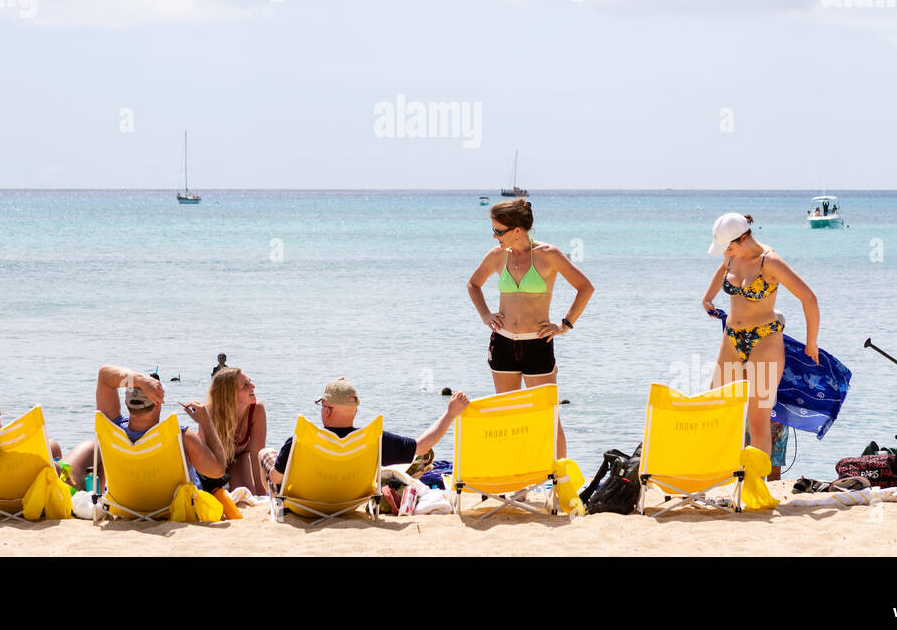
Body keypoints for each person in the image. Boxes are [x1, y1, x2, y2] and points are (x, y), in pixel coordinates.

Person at [466, 198, 593, 457]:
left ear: (517, 231)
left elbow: (585, 288)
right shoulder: (496, 256)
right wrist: (485, 315)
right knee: (508, 416)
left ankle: (558, 483)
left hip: (537, 344)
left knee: (548, 417)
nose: (494, 236)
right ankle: (518, 481)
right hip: (502, 344)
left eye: (498, 231)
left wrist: (565, 325)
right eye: (492, 229)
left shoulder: (549, 255)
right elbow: (473, 284)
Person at [702, 212, 820, 458]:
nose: (727, 252)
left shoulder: (770, 262)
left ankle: (758, 483)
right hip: (731, 338)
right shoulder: (730, 256)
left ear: (744, 238)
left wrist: (812, 343)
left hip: (764, 340)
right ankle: (722, 473)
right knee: (714, 407)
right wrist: (708, 297)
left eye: (730, 247)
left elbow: (809, 299)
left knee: (757, 420)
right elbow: (722, 269)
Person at [260, 378, 469, 485]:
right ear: (355, 410)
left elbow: (277, 480)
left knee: (265, 453)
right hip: (351, 501)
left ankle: (263, 503)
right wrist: (450, 414)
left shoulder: (299, 441)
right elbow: (423, 446)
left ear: (326, 410)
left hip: (306, 503)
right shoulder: (374, 440)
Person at [61, 365, 227, 491]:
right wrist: (205, 421)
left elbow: (104, 375)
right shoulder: (179, 435)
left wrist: (140, 381)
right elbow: (217, 470)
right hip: (167, 506)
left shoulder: (113, 428)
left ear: (126, 403)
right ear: (158, 404)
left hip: (126, 505)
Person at [180, 366, 268, 496]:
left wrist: (263, 498)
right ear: (230, 394)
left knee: (247, 494)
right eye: (245, 385)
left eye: (250, 381)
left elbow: (256, 457)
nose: (253, 386)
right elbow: (204, 458)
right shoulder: (209, 413)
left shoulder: (256, 410)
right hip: (214, 462)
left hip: (238, 458)